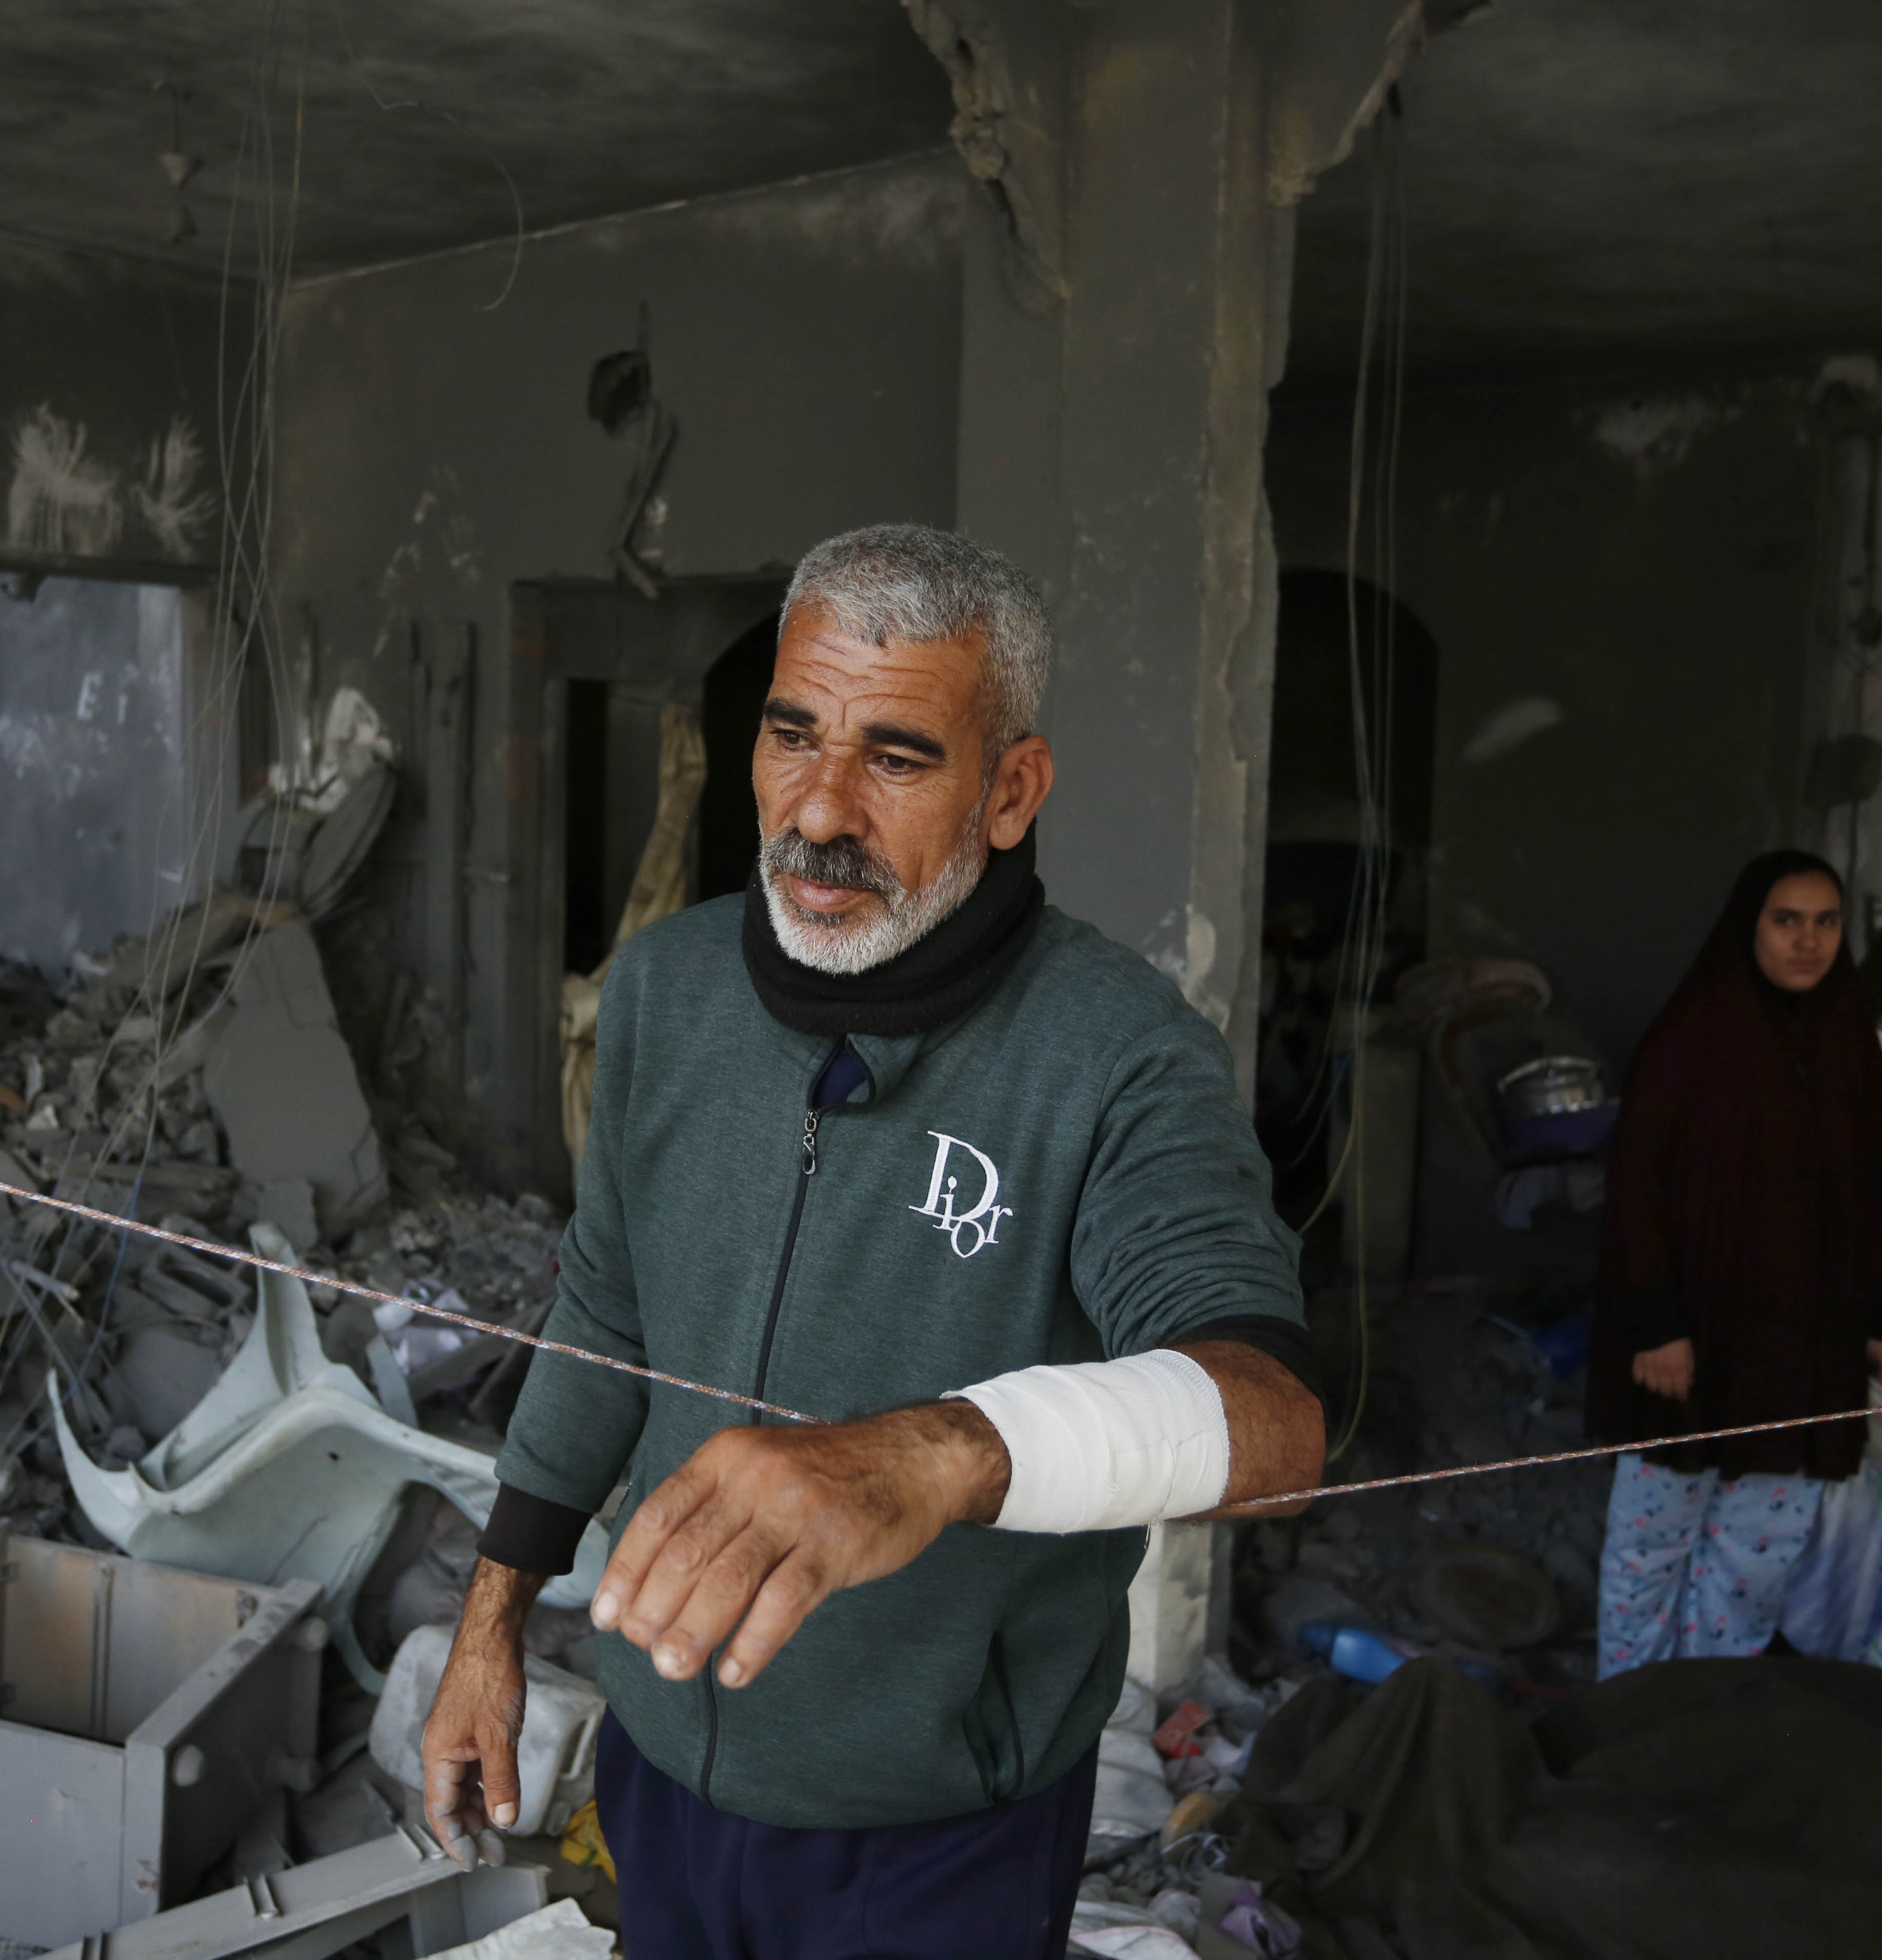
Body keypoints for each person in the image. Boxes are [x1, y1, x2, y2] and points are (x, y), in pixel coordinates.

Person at [418, 524, 1329, 1958]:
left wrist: (931, 1456)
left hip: (938, 1835)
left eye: (897, 757)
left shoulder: (1119, 1059)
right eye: (794, 736)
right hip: (662, 1776)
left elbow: (1272, 1423)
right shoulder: (664, 990)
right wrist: (489, 1634)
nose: (822, 810)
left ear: (1012, 789)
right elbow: (605, 1315)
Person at [1585, 849, 1882, 1676]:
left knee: (1756, 1555)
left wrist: (1881, 1315)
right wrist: (1655, 1323)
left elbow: (1874, 1184)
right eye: (1787, 920)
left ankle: (1714, 1719)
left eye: (1827, 922)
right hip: (1690, 1341)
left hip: (1802, 1349)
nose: (1809, 942)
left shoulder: (1845, 1041)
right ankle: (1633, 1717)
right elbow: (1636, 1189)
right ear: (1749, 928)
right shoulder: (1691, 1040)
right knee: (1652, 1545)